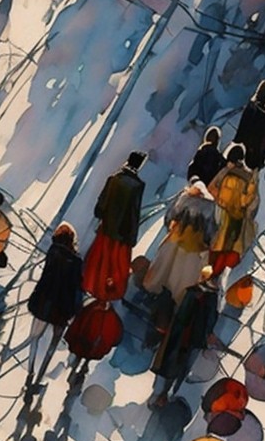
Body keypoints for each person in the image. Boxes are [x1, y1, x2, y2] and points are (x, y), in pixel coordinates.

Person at [143, 180, 219, 315]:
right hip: (194, 249)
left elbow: (170, 217)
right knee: (180, 280)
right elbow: (211, 233)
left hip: (174, 241)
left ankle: (153, 297)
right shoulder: (212, 209)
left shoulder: (185, 198)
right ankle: (171, 309)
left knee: (162, 271)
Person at [25, 224, 85, 390]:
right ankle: (39, 378)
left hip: (42, 302)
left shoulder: (53, 252)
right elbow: (76, 288)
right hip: (61, 308)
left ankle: (30, 372)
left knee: (34, 339)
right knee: (52, 344)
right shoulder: (76, 261)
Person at [150, 265, 221, 407]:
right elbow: (182, 313)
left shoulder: (211, 298)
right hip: (181, 334)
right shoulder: (192, 292)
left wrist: (208, 334)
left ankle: (171, 393)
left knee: (184, 366)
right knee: (171, 365)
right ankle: (164, 393)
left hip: (195, 337)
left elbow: (211, 317)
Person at [83, 151, 147, 302]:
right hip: (122, 233)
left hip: (106, 228)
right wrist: (132, 236)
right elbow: (134, 212)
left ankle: (92, 285)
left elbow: (101, 204)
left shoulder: (114, 178)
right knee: (114, 265)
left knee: (99, 260)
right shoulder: (138, 185)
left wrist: (102, 215)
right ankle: (107, 291)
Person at [207, 144, 259, 276]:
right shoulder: (250, 179)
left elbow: (211, 188)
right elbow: (252, 202)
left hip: (221, 213)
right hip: (238, 218)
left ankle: (209, 276)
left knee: (215, 247)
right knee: (230, 249)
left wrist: (220, 199)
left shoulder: (226, 172)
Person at [233, 81, 265, 171]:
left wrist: (237, 141)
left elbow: (243, 126)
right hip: (258, 159)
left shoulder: (251, 107)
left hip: (243, 152)